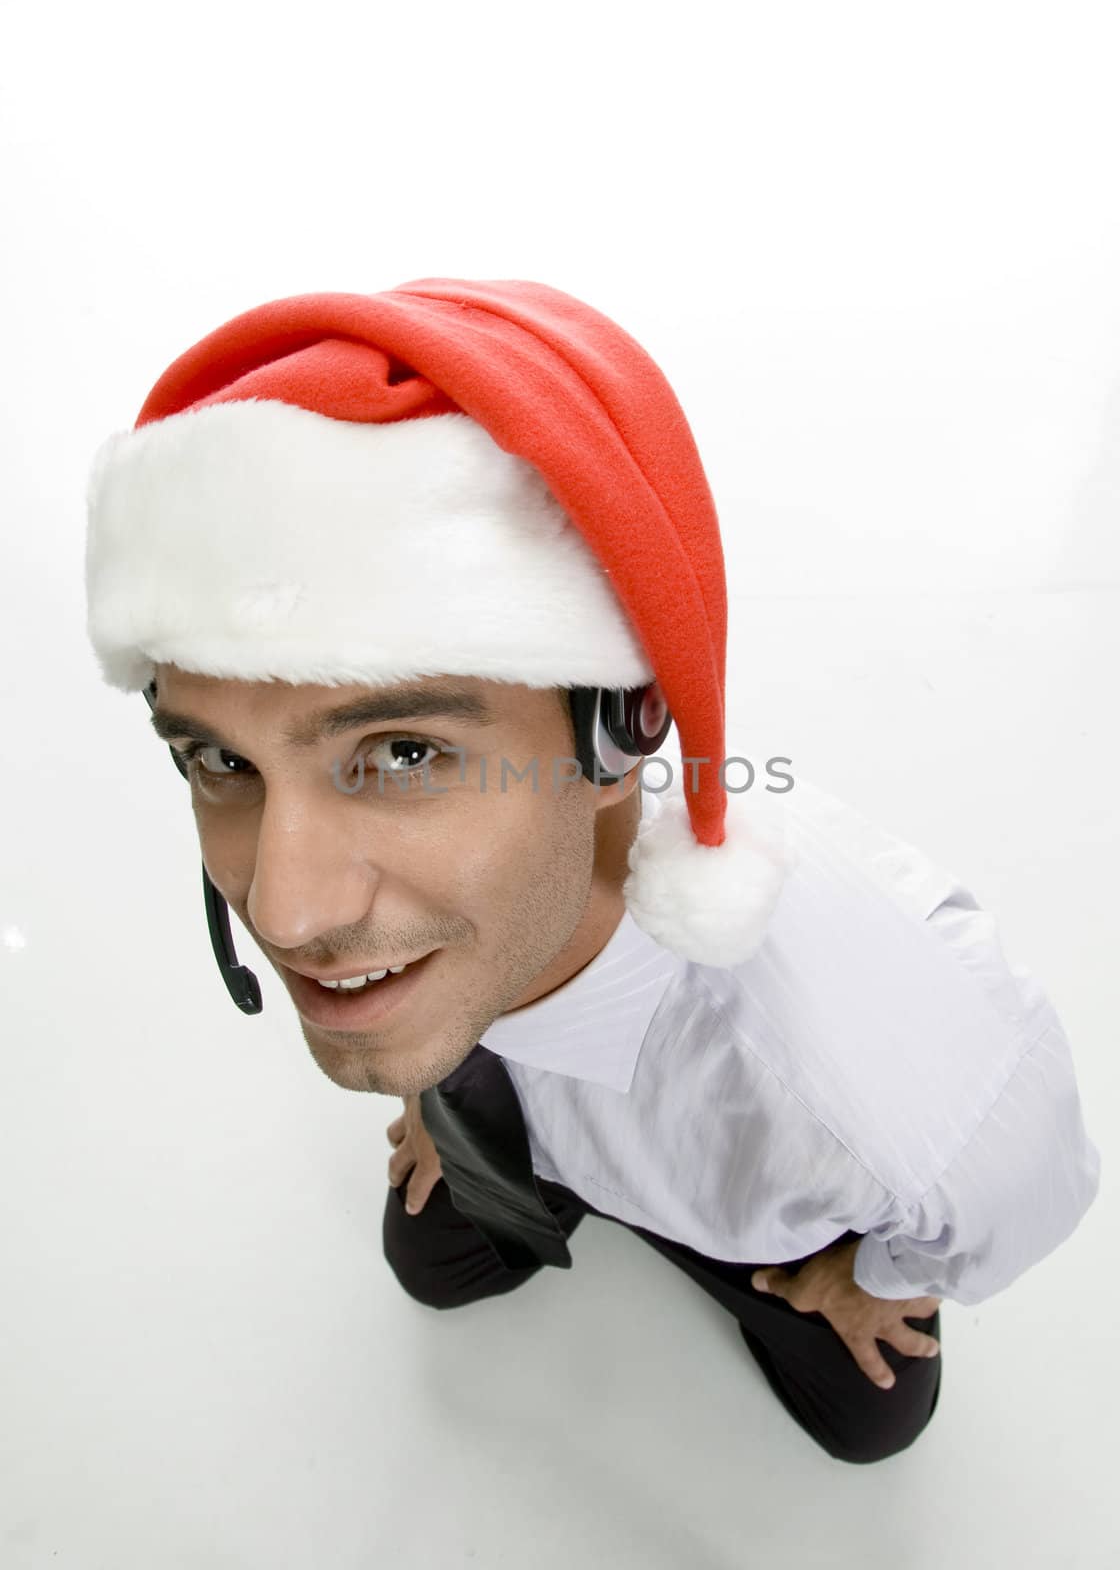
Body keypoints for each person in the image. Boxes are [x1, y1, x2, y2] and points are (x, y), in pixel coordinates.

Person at [84, 277, 1100, 1466]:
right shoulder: (444, 904)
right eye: (219, 758)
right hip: (509, 1103)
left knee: (873, 1424)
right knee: (432, 1262)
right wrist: (430, 1071)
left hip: (758, 1228)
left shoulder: (888, 1078)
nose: (285, 908)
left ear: (618, 733)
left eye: (402, 751)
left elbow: (1025, 1189)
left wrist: (873, 1272)